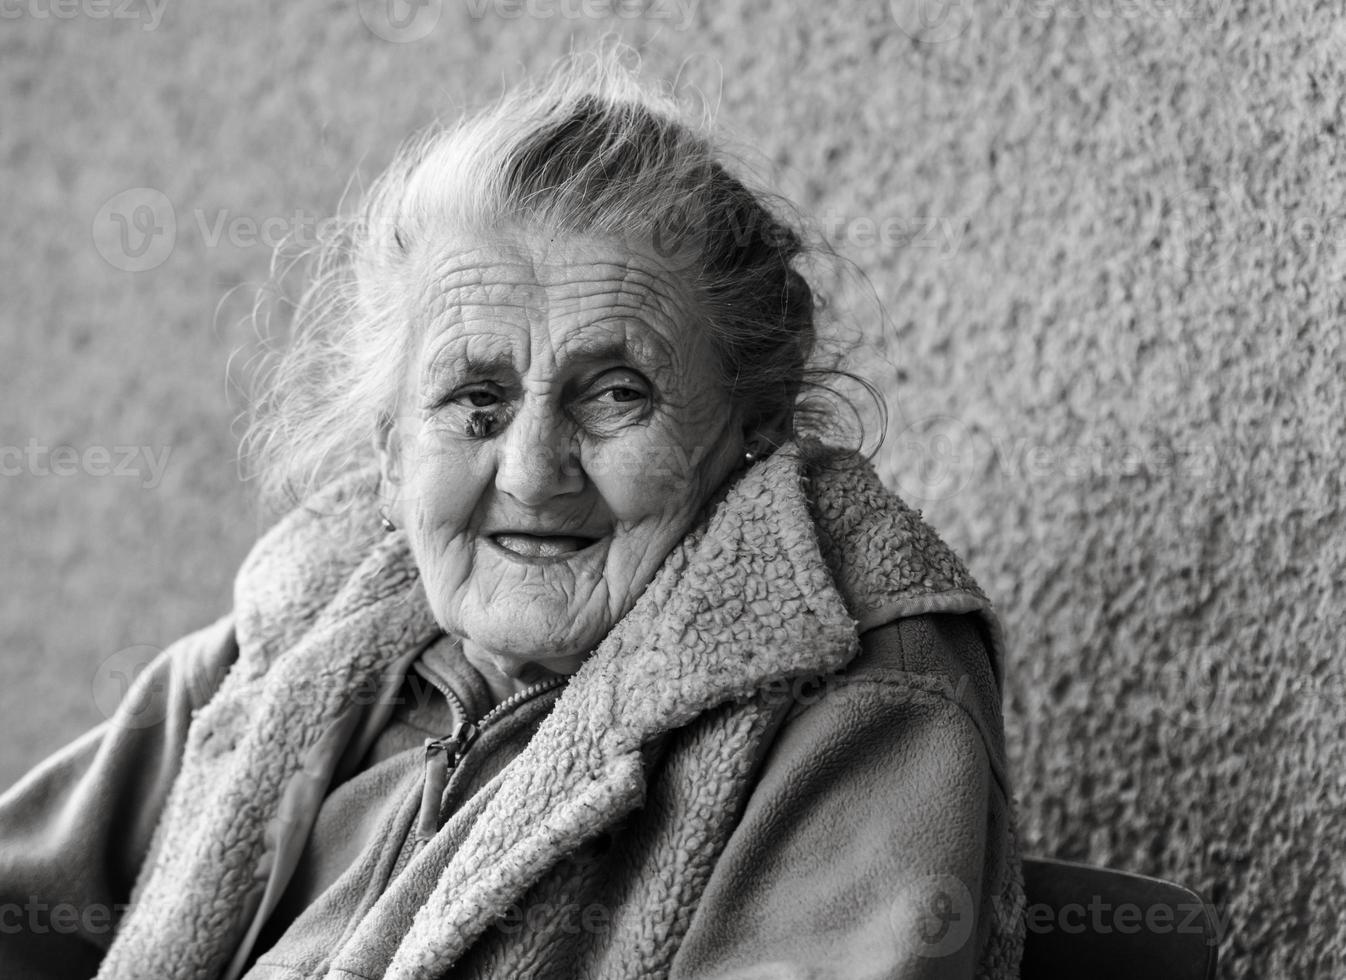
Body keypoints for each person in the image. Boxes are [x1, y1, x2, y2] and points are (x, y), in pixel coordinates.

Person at [0, 50, 1024, 980]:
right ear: (390, 448)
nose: (534, 472)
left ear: (753, 409)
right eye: (474, 402)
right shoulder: (286, 649)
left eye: (616, 392)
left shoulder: (856, 695)